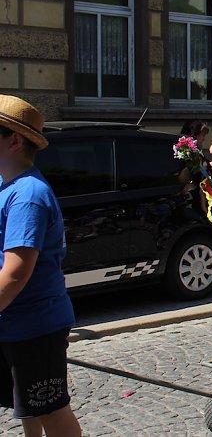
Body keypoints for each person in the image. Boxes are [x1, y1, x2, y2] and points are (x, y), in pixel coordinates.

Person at [0, 95, 82, 437]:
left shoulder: (28, 194)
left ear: (15, 140)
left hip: (33, 327)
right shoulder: (6, 186)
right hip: (10, 323)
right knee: (25, 408)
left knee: (50, 410)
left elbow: (16, 272)